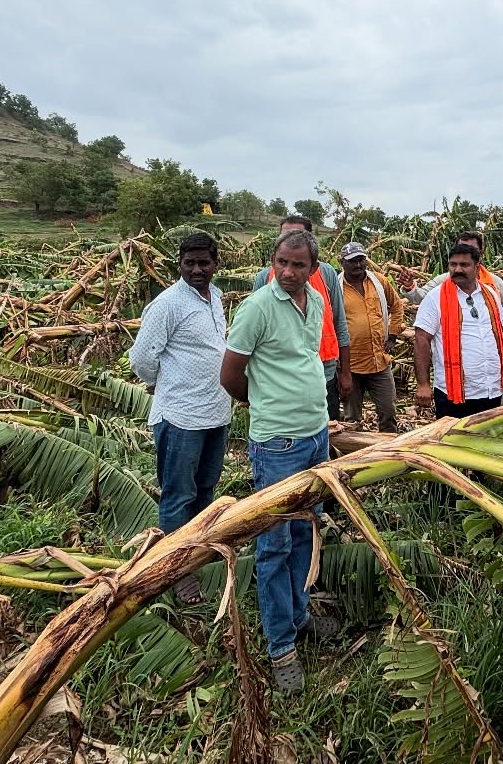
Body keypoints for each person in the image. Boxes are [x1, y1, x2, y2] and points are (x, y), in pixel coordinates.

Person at [221, 229, 339, 692]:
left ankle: (299, 615)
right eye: (281, 263)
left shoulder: (315, 300)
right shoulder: (258, 307)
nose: (288, 273)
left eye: (298, 265)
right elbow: (231, 375)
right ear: (272, 261)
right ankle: (280, 646)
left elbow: (308, 358)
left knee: (307, 531)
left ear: (313, 268)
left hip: (314, 434)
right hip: (277, 444)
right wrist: (267, 403)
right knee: (274, 545)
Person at [128, 232, 230, 605]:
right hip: (180, 415)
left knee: (204, 492)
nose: (197, 269)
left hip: (216, 411)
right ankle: (177, 572)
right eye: (190, 263)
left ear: (216, 264)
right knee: (178, 495)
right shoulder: (167, 304)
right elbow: (141, 358)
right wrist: (164, 382)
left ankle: (197, 554)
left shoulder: (215, 298)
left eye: (204, 262)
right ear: (179, 264)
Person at [254, 215, 351, 422]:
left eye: (298, 235)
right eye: (286, 235)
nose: (291, 240)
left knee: (327, 433)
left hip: (323, 372)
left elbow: (339, 323)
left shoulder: (326, 274)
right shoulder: (264, 278)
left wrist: (345, 373)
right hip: (279, 380)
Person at [413, 242, 503, 418]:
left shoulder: (491, 295)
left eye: (464, 265)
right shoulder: (435, 297)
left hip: (490, 388)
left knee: (486, 443)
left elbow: (501, 334)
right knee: (452, 443)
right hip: (453, 393)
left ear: (477, 267)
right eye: (453, 265)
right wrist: (423, 384)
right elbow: (421, 340)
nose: (457, 269)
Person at [337, 241, 404, 433]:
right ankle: (356, 458)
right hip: (351, 366)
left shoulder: (379, 281)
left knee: (388, 411)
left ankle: (389, 454)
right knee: (351, 420)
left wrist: (392, 337)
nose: (358, 265)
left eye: (361, 260)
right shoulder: (336, 287)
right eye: (352, 261)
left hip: (379, 361)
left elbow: (397, 306)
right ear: (342, 262)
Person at [399, 229, 503, 317]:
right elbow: (421, 297)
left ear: (481, 253)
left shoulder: (496, 284)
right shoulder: (443, 281)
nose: (466, 254)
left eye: (472, 250)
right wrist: (410, 286)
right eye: (462, 249)